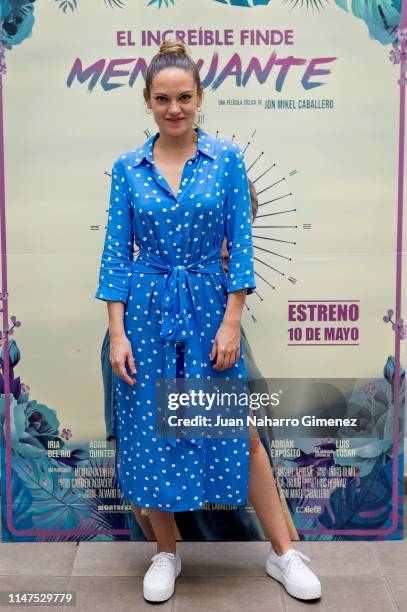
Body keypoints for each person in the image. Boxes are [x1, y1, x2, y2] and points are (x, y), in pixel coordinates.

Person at [95, 39, 322, 604]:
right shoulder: (128, 168)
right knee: (148, 435)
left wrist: (231, 320)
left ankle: (283, 554)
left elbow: (240, 251)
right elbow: (115, 257)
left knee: (240, 435)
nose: (175, 109)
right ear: (147, 101)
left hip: (209, 312)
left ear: (201, 98)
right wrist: (118, 333)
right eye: (163, 99)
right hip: (144, 317)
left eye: (185, 98)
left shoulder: (226, 161)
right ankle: (166, 555)